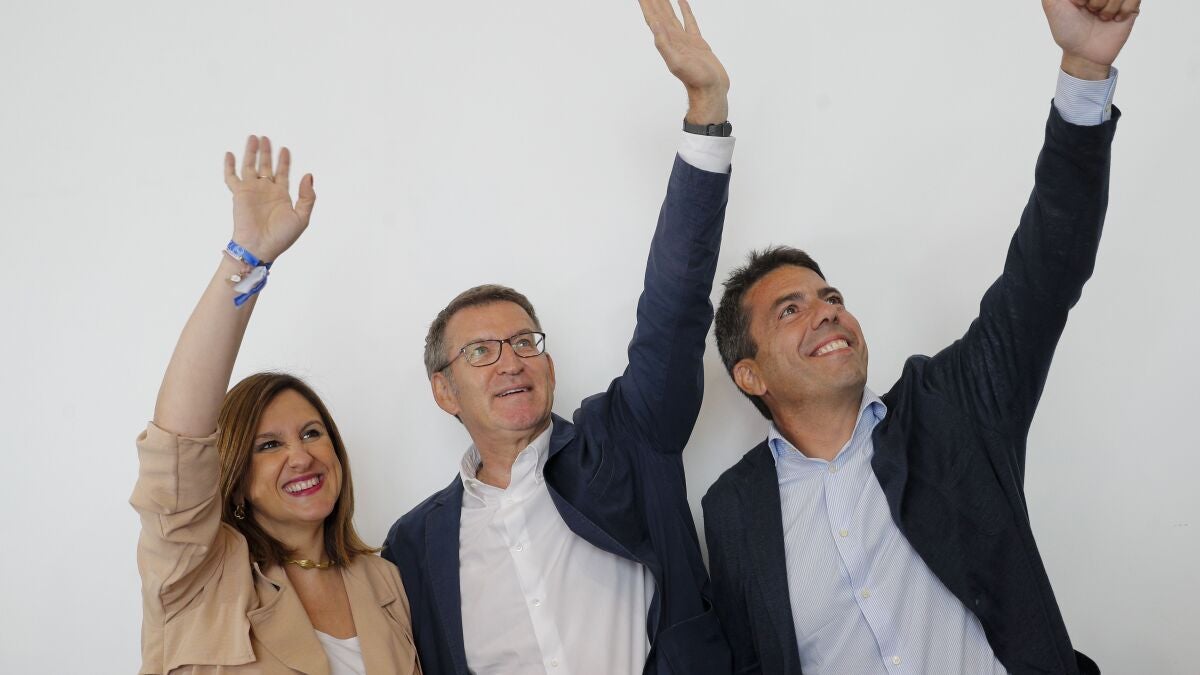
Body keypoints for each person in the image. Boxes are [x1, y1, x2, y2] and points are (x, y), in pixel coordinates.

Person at [701, 1, 1140, 674]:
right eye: (790, 310)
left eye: (831, 297)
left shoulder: (951, 407)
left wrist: (1084, 68)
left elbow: (1046, 271)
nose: (827, 312)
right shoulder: (733, 510)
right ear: (750, 374)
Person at [382, 1, 737, 673]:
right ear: (443, 390)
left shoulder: (628, 439)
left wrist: (706, 113)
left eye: (525, 342)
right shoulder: (414, 545)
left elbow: (674, 306)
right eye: (480, 351)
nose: (511, 362)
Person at [131, 136, 421, 674]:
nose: (301, 456)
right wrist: (248, 258)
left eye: (311, 433)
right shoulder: (197, 574)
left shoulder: (385, 582)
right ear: (236, 476)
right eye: (268, 445)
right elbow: (177, 445)